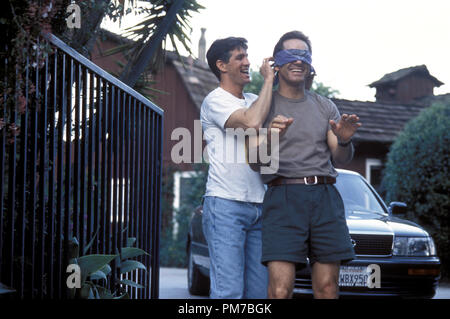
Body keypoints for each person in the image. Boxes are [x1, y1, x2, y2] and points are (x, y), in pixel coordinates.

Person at [249, 30, 362, 299]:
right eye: (291, 54)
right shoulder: (263, 105)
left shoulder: (325, 107)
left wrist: (344, 141)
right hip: (283, 197)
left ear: (310, 63)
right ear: (276, 62)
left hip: (325, 197)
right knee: (280, 290)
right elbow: (255, 163)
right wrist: (272, 138)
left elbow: (340, 156)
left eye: (304, 55)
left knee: (327, 288)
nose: (298, 60)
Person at [200, 37, 274, 298]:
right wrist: (268, 81)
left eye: (247, 56)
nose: (248, 62)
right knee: (228, 293)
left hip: (261, 206)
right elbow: (252, 122)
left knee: (258, 295)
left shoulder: (255, 99)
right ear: (221, 65)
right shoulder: (215, 100)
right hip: (225, 206)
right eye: (239, 57)